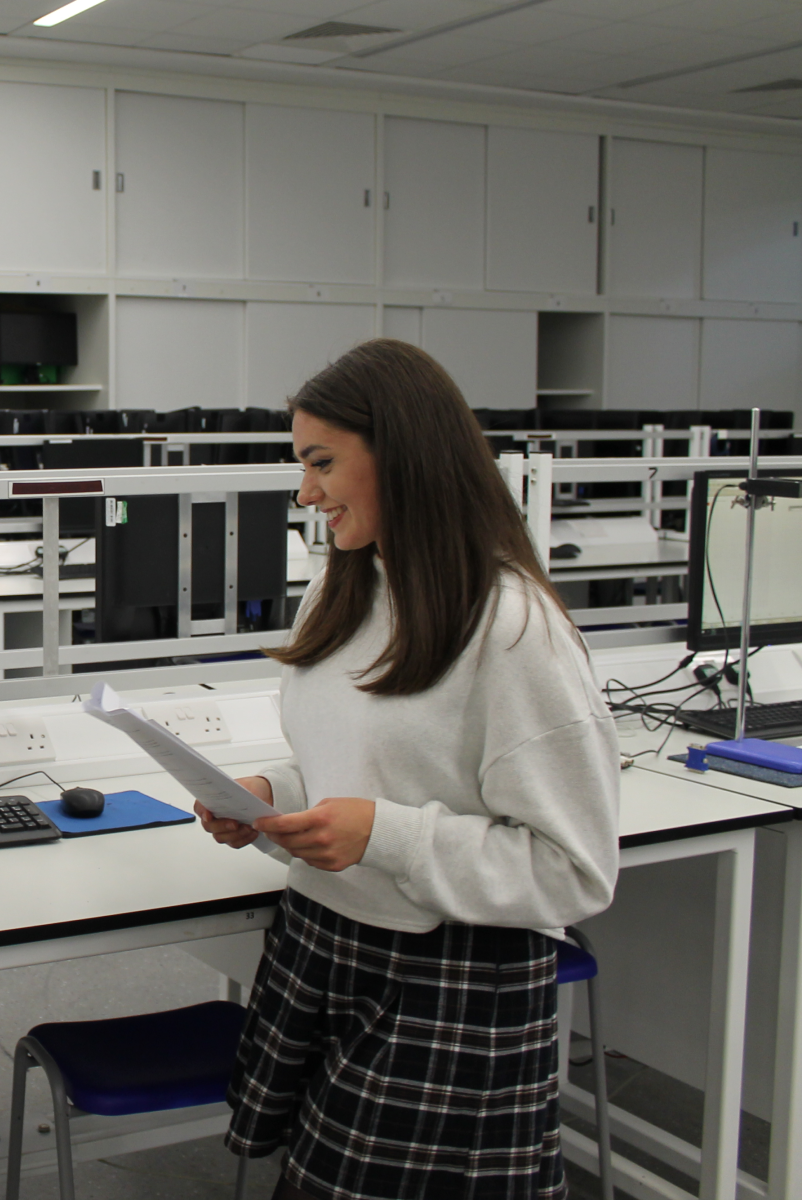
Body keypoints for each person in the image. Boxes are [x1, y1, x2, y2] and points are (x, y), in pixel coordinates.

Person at [199, 339, 620, 1200]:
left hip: (446, 983)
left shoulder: (511, 629)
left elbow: (572, 871)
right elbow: (362, 764)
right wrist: (275, 797)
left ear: (404, 456)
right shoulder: (346, 587)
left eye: (322, 463)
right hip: (325, 941)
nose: (305, 491)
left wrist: (381, 837)